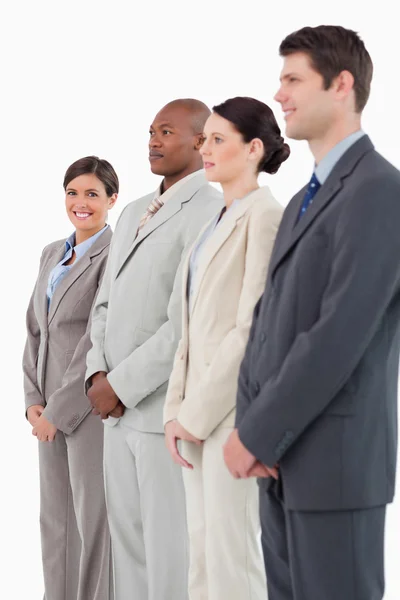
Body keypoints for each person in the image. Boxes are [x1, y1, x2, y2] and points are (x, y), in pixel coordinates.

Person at [223, 25, 400, 600]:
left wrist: (258, 432)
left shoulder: (378, 190)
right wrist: (254, 428)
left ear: (341, 84)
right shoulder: (303, 199)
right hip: (281, 464)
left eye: (293, 79)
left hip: (334, 467)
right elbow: (269, 321)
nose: (280, 95)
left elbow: (339, 334)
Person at [85, 99, 223, 600]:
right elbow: (104, 303)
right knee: (127, 553)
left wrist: (120, 385)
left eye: (166, 132)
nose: (153, 141)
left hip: (161, 413)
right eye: (150, 131)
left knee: (170, 554)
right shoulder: (130, 211)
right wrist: (96, 376)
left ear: (201, 141)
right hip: (113, 415)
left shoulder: (212, 210)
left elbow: (185, 322)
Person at [164, 96, 288, 600]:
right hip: (194, 418)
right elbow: (189, 328)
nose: (205, 147)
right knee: (202, 556)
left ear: (254, 148)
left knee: (232, 559)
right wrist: (177, 411)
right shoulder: (215, 221)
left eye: (218, 139)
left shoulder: (265, 216)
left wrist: (193, 414)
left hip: (232, 416)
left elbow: (250, 330)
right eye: (204, 138)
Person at [23, 156, 118, 600]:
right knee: (55, 521)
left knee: (92, 518)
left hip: (87, 409)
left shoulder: (113, 255)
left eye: (92, 194)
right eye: (73, 193)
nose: (81, 203)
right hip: (47, 410)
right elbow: (34, 330)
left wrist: (58, 411)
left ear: (111, 200)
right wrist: (33, 401)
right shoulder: (51, 253)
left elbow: (95, 342)